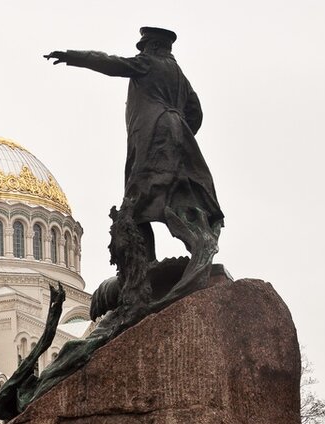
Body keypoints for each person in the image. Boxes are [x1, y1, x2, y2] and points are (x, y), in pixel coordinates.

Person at [45, 27, 223, 299]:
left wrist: (73, 57)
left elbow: (111, 63)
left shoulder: (148, 64)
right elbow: (196, 111)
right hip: (177, 135)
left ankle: (148, 268)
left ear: (150, 46)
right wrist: (179, 128)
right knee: (174, 195)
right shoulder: (179, 76)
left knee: (135, 207)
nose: (141, 51)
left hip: (152, 138)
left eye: (143, 46)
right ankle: (185, 251)